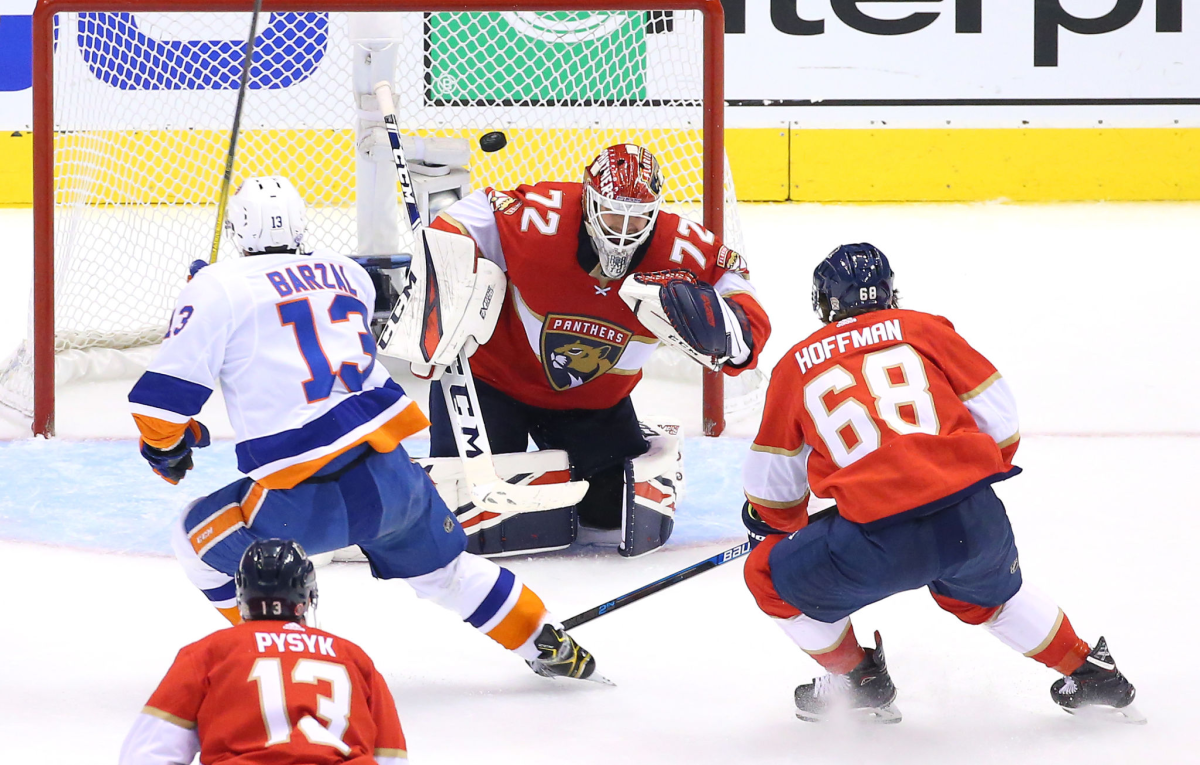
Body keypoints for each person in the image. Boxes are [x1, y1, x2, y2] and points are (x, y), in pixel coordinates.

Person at [128, 176, 601, 682]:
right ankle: (541, 636)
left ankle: (272, 650)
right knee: (447, 573)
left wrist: (166, 448)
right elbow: (287, 302)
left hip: (303, 495)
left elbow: (161, 410)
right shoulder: (349, 275)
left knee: (191, 538)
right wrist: (214, 288)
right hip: (394, 479)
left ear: (237, 230)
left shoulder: (215, 289)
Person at [740, 243, 1141, 723]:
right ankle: (1093, 674)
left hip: (876, 541)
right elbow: (1003, 424)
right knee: (987, 596)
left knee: (766, 575)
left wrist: (782, 521)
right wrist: (956, 475)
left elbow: (772, 492)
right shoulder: (926, 327)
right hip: (974, 517)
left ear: (825, 303)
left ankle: (857, 683)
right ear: (890, 292)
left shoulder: (795, 365)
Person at [425, 143, 771, 557]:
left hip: (591, 404)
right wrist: (443, 276)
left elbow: (746, 310)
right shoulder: (540, 217)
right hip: (493, 383)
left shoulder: (683, 250)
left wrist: (732, 335)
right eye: (612, 212)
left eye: (638, 217)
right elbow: (458, 222)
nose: (623, 229)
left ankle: (634, 439)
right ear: (588, 201)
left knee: (612, 515)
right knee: (464, 515)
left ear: (656, 212)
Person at [119, 539, 407, 765]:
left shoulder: (208, 653)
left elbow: (146, 755)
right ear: (308, 598)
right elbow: (391, 757)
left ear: (242, 595)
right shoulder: (353, 657)